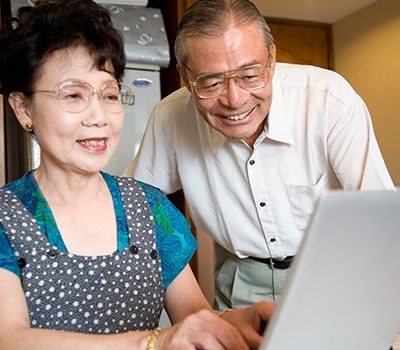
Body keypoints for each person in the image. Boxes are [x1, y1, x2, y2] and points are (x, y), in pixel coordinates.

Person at [0, 1, 275, 349]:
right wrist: (154, 343)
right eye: (73, 95)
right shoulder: (6, 217)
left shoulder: (148, 206)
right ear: (23, 108)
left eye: (110, 94)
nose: (98, 116)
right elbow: (9, 338)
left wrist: (237, 321)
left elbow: (193, 318)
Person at [125, 0, 395, 309]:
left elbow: (380, 218)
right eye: (211, 82)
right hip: (239, 281)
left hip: (332, 270)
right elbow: (135, 206)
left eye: (250, 75)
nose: (235, 100)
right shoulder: (169, 118)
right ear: (185, 77)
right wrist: (179, 268)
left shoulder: (328, 100)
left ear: (272, 59)